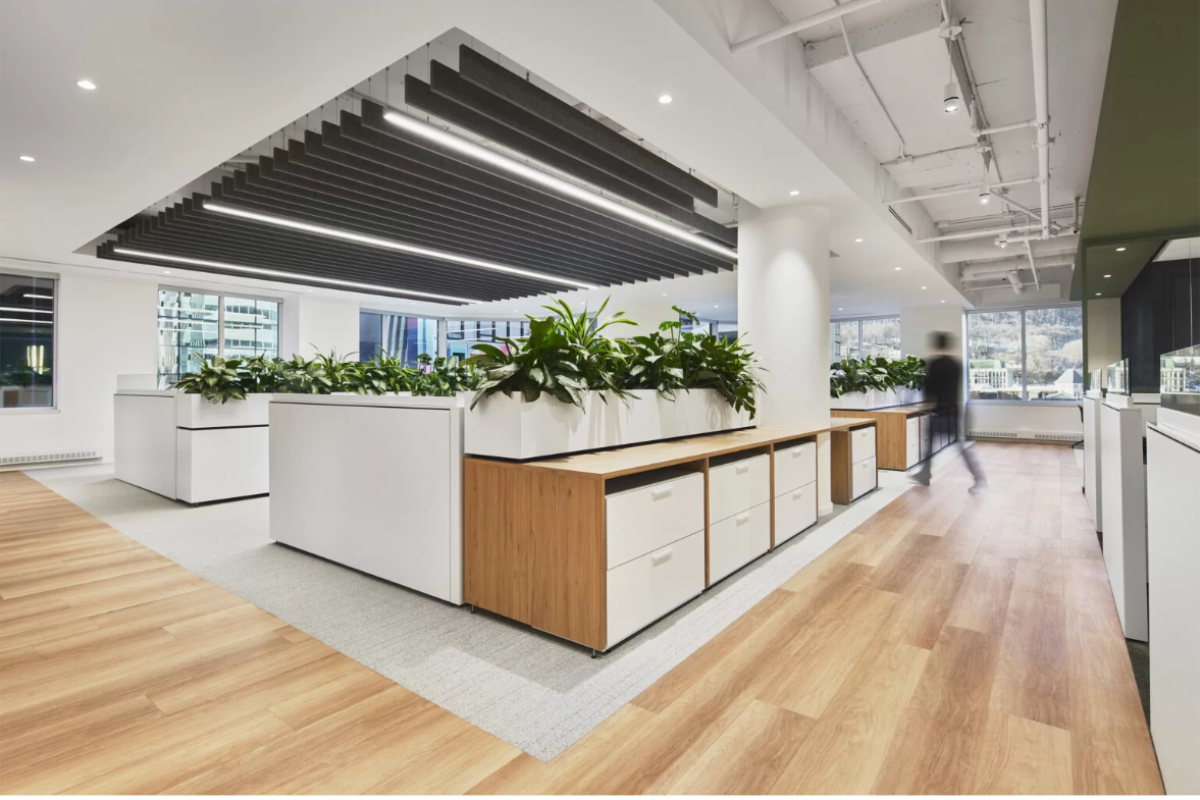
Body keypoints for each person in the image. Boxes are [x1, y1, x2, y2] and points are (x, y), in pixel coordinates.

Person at [912, 331, 985, 491]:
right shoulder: (956, 364)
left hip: (939, 411)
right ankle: (925, 474)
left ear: (936, 345)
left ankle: (978, 478)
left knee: (931, 444)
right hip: (953, 410)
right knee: (956, 445)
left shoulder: (935, 364)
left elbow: (929, 387)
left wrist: (925, 401)